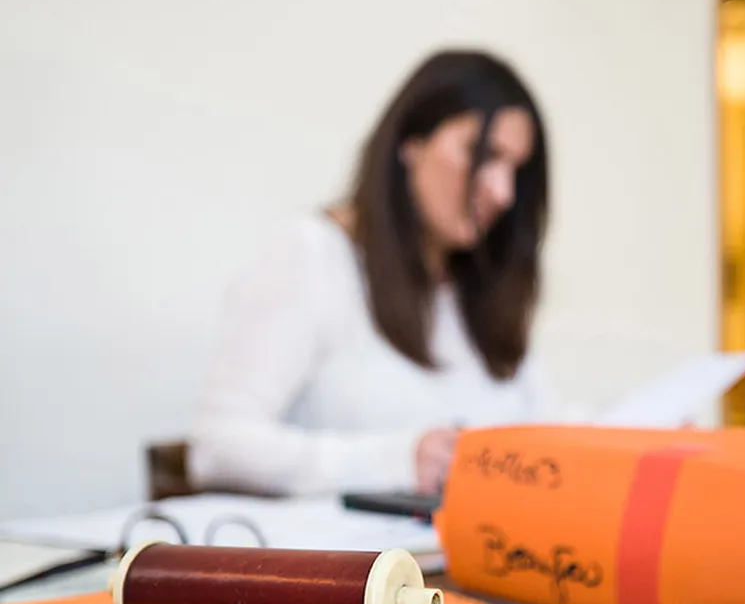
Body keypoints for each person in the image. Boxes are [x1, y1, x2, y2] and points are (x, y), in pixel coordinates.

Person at [187, 49, 552, 498]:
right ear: (411, 144)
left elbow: (539, 427)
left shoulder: (483, 295)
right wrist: (395, 461)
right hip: (359, 564)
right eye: (483, 154)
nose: (502, 192)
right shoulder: (314, 256)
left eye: (515, 169)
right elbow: (218, 448)